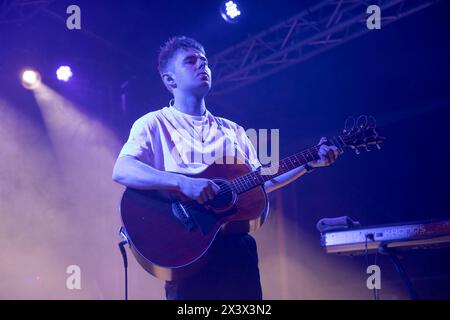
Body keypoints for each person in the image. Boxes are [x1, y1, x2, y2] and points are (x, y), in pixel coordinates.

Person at [112, 36, 340, 300]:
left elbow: (261, 181)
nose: (203, 66)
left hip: (235, 250)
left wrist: (309, 164)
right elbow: (122, 169)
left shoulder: (233, 131)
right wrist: (183, 182)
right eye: (191, 61)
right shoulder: (153, 123)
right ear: (170, 80)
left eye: (205, 61)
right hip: (186, 249)